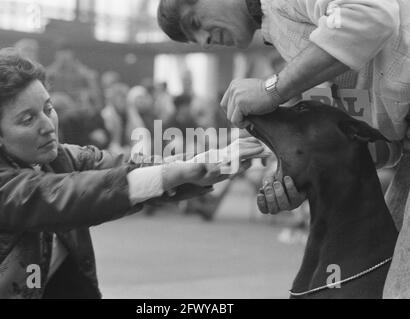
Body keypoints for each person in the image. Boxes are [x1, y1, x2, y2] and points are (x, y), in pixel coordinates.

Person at [0, 48, 265, 299]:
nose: (48, 124)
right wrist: (177, 173)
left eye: (48, 107)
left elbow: (131, 166)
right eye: (27, 119)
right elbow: (60, 196)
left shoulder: (60, 158)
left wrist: (216, 159)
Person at [158, 0, 410, 297]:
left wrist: (272, 88)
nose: (205, 42)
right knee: (380, 270)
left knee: (397, 287)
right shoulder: (279, 30)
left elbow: (372, 14)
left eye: (195, 23)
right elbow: (374, 141)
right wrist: (301, 177)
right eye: (194, 40)